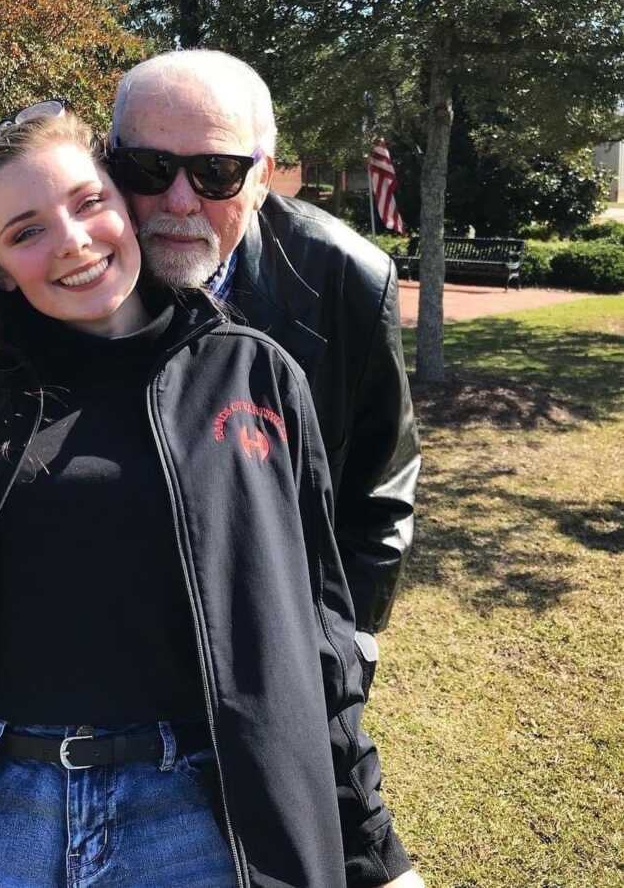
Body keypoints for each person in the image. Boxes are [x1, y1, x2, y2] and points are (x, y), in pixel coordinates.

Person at [0, 105, 421, 887]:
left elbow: (317, 632)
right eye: (26, 231)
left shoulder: (254, 374)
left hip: (189, 814)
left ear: (121, 201)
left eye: (87, 203)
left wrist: (373, 847)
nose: (73, 243)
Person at [109, 51, 421, 694]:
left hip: (279, 649)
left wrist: (344, 640)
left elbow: (382, 488)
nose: (178, 200)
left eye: (216, 172)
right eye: (148, 167)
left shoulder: (346, 281)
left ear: (263, 176)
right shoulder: (72, 272)